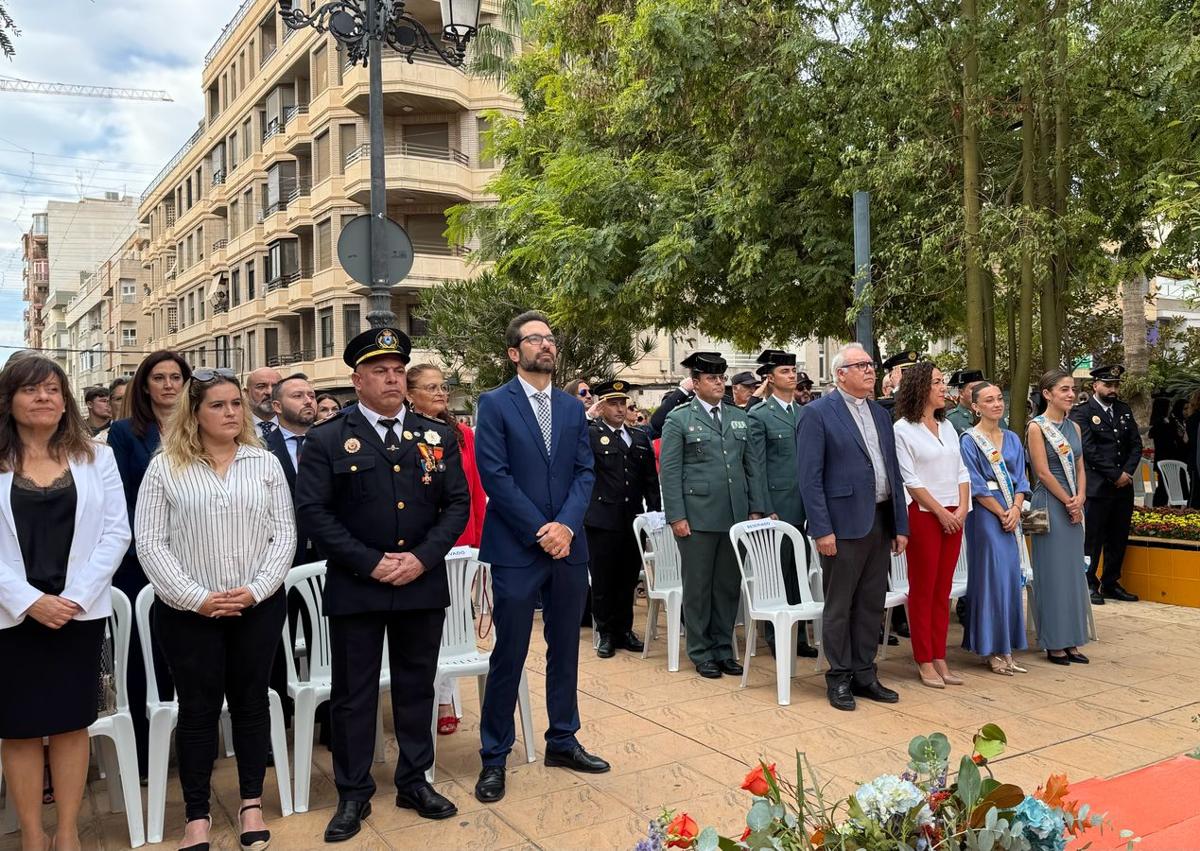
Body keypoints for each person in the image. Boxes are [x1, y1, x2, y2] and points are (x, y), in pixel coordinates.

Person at [297, 328, 469, 839]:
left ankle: (415, 780)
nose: (391, 378)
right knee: (354, 694)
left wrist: (421, 557)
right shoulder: (328, 437)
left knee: (418, 685)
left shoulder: (435, 434)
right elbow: (314, 512)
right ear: (357, 379)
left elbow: (455, 503)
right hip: (359, 584)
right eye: (379, 370)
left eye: (398, 370)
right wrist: (370, 563)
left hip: (420, 582)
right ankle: (353, 794)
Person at [136, 367, 295, 851]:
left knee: (250, 704)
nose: (230, 413)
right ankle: (197, 816)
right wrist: (196, 598)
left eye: (235, 404)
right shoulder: (166, 467)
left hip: (257, 606)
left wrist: (256, 589)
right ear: (195, 412)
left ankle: (250, 804)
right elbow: (149, 542)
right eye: (217, 405)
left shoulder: (263, 463)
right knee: (198, 711)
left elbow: (284, 534)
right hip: (189, 613)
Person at [473, 311, 605, 805]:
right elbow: (495, 475)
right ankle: (494, 755)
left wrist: (566, 526)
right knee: (509, 651)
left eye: (550, 339)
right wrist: (540, 531)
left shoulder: (572, 409)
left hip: (568, 548)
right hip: (517, 549)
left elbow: (584, 473)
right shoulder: (495, 403)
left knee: (566, 647)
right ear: (514, 353)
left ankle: (563, 740)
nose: (547, 345)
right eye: (535, 339)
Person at [0, 356, 130, 851]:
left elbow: (117, 531)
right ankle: (34, 834)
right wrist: (29, 601)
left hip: (78, 613)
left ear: (66, 399)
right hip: (10, 616)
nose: (44, 398)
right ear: (9, 399)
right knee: (20, 729)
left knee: (73, 723)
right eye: (31, 389)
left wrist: (72, 599)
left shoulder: (97, 456)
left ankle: (68, 831)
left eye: (53, 389)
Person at [798, 343, 908, 711]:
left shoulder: (879, 413)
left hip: (878, 518)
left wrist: (900, 525)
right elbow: (810, 479)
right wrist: (821, 530)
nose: (870, 370)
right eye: (861, 365)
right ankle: (839, 677)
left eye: (871, 365)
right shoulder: (818, 413)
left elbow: (892, 470)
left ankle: (865, 672)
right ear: (840, 373)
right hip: (842, 525)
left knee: (871, 603)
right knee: (840, 603)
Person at [107, 349, 192, 776]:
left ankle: (193, 746)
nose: (168, 385)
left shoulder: (200, 428)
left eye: (176, 376)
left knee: (187, 654)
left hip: (195, 557)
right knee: (144, 657)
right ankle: (142, 756)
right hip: (140, 561)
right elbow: (121, 499)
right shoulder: (125, 433)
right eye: (159, 377)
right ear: (145, 386)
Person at [660, 352, 766, 678]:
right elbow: (670, 471)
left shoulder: (738, 417)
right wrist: (677, 516)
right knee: (698, 587)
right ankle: (700, 650)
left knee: (727, 587)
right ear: (695, 383)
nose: (719, 383)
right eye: (711, 378)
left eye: (721, 377)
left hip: (734, 515)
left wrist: (756, 508)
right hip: (698, 516)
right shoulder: (679, 419)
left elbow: (752, 468)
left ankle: (723, 648)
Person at [406, 362, 488, 735]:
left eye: (443, 387)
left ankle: (446, 700)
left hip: (460, 544)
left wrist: (479, 540)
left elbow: (474, 492)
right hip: (422, 546)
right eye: (430, 387)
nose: (440, 393)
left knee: (456, 626)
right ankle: (424, 699)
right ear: (409, 394)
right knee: (424, 630)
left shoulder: (463, 435)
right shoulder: (405, 435)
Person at [891, 362, 970, 689]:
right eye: (937, 382)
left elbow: (962, 471)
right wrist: (941, 512)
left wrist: (962, 508)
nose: (943, 388)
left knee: (944, 590)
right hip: (925, 516)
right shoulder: (902, 429)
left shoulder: (948, 426)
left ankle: (940, 656)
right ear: (921, 387)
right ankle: (924, 659)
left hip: (955, 514)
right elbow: (911, 480)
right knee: (923, 590)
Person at [747, 349, 817, 658]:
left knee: (801, 570)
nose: (792, 375)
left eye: (793, 370)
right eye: (785, 371)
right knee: (779, 570)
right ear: (770, 378)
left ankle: (800, 636)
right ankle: (778, 638)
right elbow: (756, 466)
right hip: (779, 503)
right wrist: (763, 506)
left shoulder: (804, 413)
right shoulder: (759, 415)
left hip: (805, 503)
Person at [584, 379, 661, 658]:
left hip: (632, 518)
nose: (619, 408)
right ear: (601, 406)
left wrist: (655, 513)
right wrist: (588, 415)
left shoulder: (639, 437)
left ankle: (624, 629)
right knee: (604, 579)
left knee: (627, 577)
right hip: (602, 518)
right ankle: (605, 631)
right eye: (613, 403)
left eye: (622, 403)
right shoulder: (591, 434)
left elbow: (650, 481)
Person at [959, 382, 1030, 675]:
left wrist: (1015, 508)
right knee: (991, 579)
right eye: (989, 400)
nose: (997, 404)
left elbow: (1022, 480)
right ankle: (990, 649)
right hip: (986, 515)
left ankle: (1007, 647)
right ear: (975, 406)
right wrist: (1002, 511)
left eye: (1000, 398)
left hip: (1011, 513)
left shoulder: (1012, 439)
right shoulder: (969, 440)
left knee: (1011, 579)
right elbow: (974, 483)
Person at [1028, 369, 1092, 665]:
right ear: (1047, 394)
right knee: (1051, 573)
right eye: (1064, 389)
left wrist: (1080, 497)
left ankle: (1073, 640)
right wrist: (1068, 499)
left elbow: (1080, 466)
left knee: (1073, 574)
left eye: (1073, 389)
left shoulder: (1075, 428)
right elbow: (1041, 471)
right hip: (1048, 504)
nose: (1070, 394)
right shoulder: (1036, 428)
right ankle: (1054, 642)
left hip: (1073, 505)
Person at [1069, 364, 1142, 604]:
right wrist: (1114, 474)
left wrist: (1127, 473)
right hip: (1097, 486)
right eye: (1108, 385)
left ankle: (1111, 582)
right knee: (1093, 538)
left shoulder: (1123, 410)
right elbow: (1088, 450)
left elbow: (1135, 445)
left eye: (1116, 385)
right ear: (1095, 386)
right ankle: (1088, 582)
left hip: (1123, 487)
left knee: (1118, 536)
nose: (1113, 389)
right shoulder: (1082, 412)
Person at [1148, 397, 1187, 506]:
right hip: (1166, 458)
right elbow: (1170, 441)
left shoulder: (1166, 422)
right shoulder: (1161, 424)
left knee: (1166, 486)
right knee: (1164, 487)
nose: (1171, 409)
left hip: (1166, 458)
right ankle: (1159, 507)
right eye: (1169, 406)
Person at [246, 366, 282, 439]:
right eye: (261, 386)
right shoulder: (236, 428)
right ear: (247, 393)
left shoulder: (295, 427)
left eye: (275, 387)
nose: (270, 392)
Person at [947, 369, 985, 435]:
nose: (979, 392)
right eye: (974, 388)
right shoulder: (951, 419)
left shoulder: (992, 413)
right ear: (961, 393)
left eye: (982, 387)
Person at [1186, 389, 1200, 508]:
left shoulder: (1192, 418)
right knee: (1195, 494)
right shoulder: (1195, 419)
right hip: (1196, 462)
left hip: (1194, 461)